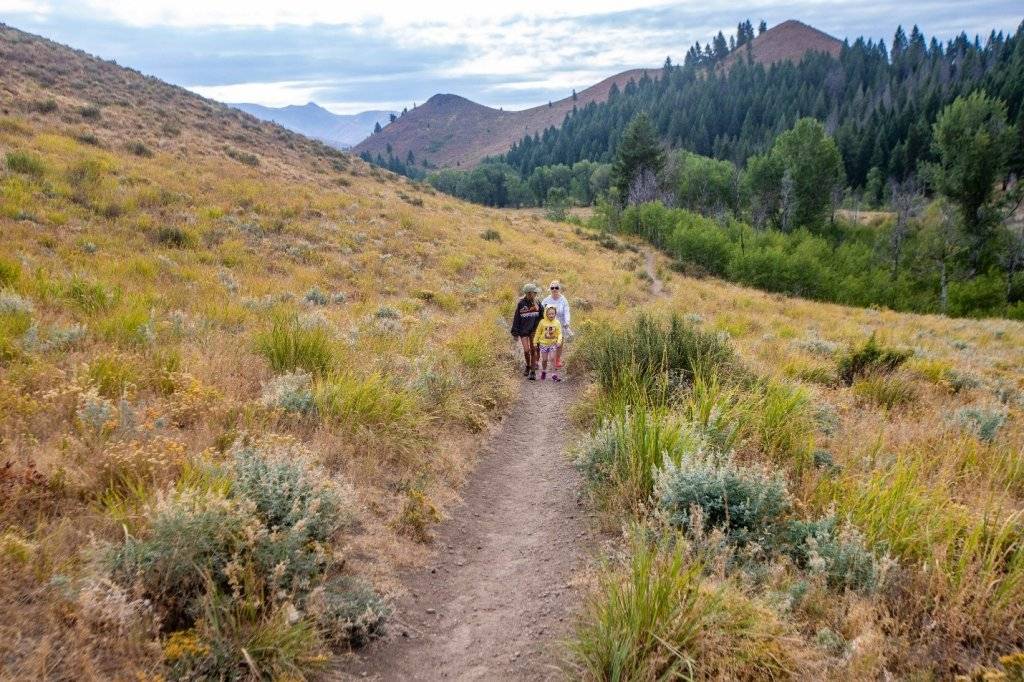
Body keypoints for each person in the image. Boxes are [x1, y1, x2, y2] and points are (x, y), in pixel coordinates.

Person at [510, 283, 543, 380]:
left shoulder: (538, 303)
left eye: (536, 293)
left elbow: (542, 317)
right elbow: (517, 318)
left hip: (534, 330)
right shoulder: (521, 304)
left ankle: (533, 371)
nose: (535, 294)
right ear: (528, 293)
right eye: (534, 293)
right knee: (526, 350)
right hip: (523, 330)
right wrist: (515, 332)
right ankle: (528, 366)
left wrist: (541, 328)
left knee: (533, 350)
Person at [541, 280, 571, 370]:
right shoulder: (546, 300)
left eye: (556, 287)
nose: (554, 289)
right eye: (552, 288)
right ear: (550, 289)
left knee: (559, 343)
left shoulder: (563, 300)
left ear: (559, 289)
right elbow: (541, 311)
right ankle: (550, 359)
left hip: (561, 324)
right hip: (549, 325)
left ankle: (557, 359)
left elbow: (566, 311)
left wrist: (567, 322)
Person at [533, 304, 563, 382]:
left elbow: (560, 333)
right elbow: (538, 333)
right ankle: (544, 371)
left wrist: (559, 341)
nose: (551, 315)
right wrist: (535, 342)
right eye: (549, 314)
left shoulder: (557, 322)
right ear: (546, 314)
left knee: (553, 358)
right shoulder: (542, 322)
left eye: (553, 313)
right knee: (545, 360)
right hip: (543, 344)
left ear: (555, 314)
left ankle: (554, 374)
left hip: (553, 344)